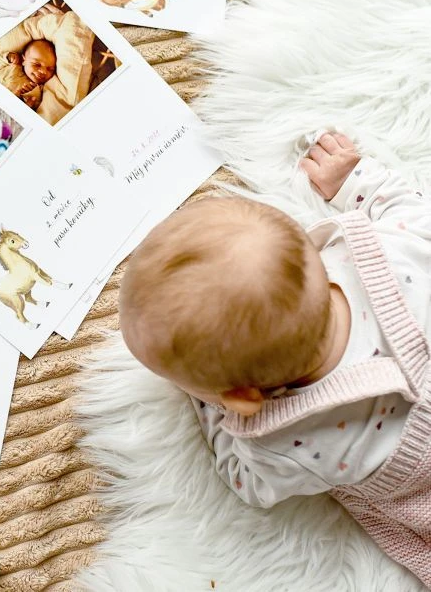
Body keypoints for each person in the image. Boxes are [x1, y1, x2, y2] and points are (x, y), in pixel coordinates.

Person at [118, 132, 431, 586]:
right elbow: (409, 206)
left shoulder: (282, 443)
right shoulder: (393, 251)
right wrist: (352, 179)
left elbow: (244, 480)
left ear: (242, 399)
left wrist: (208, 408)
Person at [0, 39, 57, 111]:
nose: (43, 71)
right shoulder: (13, 65)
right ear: (23, 60)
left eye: (50, 69)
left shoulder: (39, 88)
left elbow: (37, 105)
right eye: (37, 64)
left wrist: (33, 93)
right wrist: (8, 57)